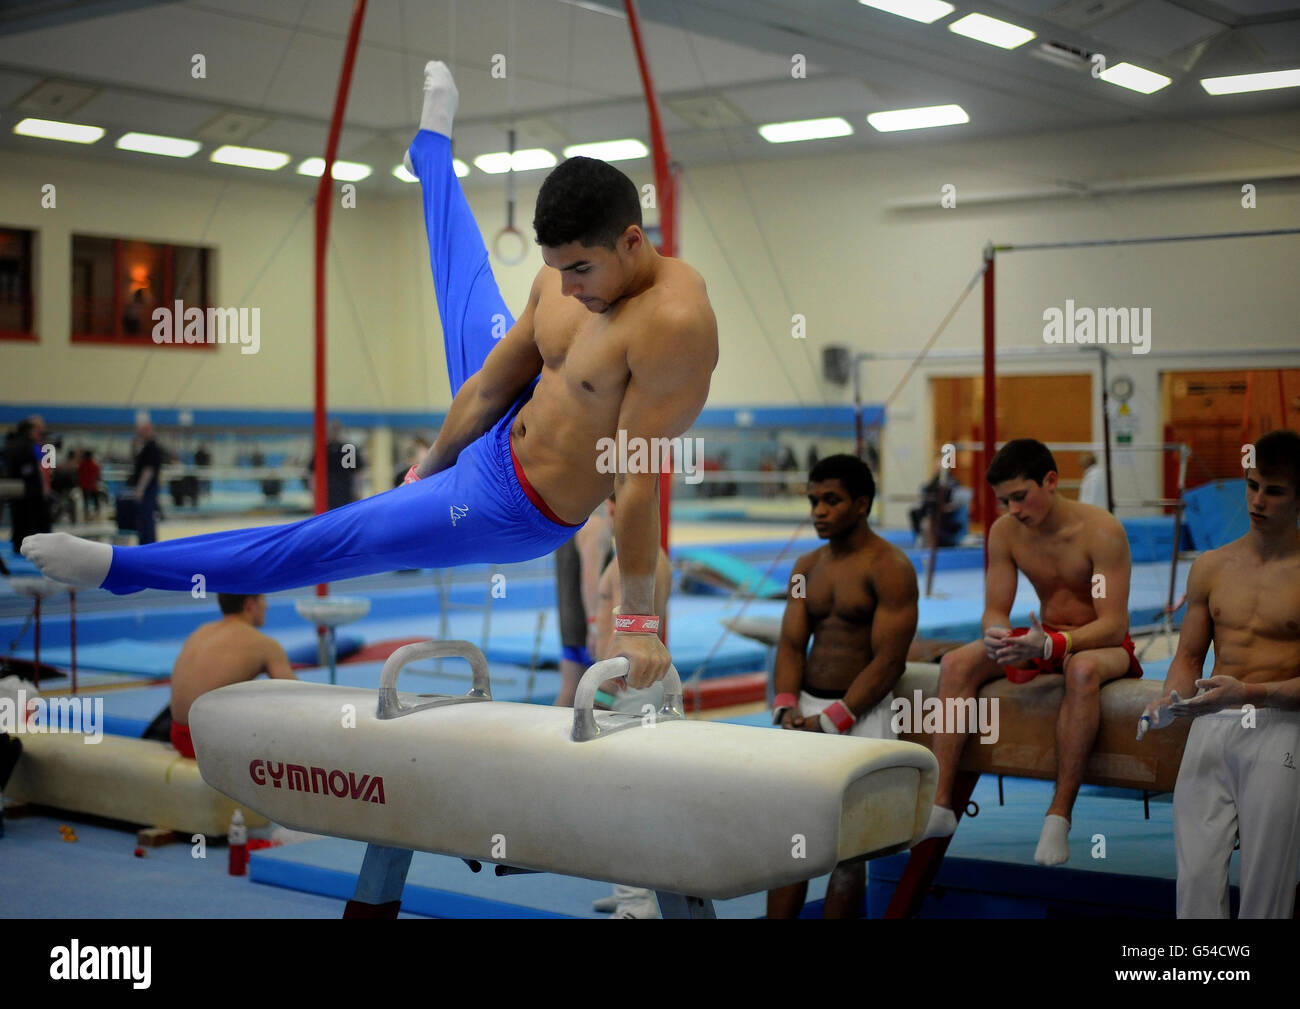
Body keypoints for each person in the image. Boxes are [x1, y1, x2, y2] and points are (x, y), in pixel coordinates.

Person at [22, 60, 718, 690]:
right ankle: (432, 152)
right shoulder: (564, 282)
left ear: (633, 240)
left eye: (581, 270)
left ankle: (120, 569)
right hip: (493, 435)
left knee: (332, 537)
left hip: (514, 505)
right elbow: (485, 387)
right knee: (470, 288)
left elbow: (634, 480)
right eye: (557, 269)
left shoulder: (673, 327)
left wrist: (636, 623)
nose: (566, 288)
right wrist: (426, 470)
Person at [920, 438, 1141, 865]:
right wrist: (997, 636)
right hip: (1043, 638)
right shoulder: (1006, 533)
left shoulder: (1102, 532)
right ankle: (941, 803)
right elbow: (994, 611)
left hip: (1100, 643)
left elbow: (1115, 624)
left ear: (1052, 481)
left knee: (1080, 671)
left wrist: (1058, 643)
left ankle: (1059, 815)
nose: (1013, 510)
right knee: (956, 663)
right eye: (1004, 501)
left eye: (1020, 497)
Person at [1139, 429, 1300, 918]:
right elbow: (1188, 657)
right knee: (1195, 880)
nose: (1257, 500)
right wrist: (1170, 702)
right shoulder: (1211, 566)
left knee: (1266, 886)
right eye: (1252, 485)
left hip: (1281, 725)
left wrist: (1250, 691)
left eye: (1274, 491)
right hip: (1212, 722)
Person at [765, 454, 918, 918]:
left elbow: (889, 660)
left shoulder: (890, 567)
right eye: (813, 501)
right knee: (791, 848)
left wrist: (834, 719)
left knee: (848, 855)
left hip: (863, 714)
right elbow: (792, 644)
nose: (819, 511)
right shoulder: (804, 569)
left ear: (862, 504)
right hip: (807, 711)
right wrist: (786, 706)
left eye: (832, 500)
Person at [587, 490, 673, 918]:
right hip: (637, 685)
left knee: (624, 796)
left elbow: (629, 649)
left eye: (615, 506)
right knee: (637, 792)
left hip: (627, 687)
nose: (609, 514)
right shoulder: (644, 557)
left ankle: (636, 904)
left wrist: (599, 695)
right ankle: (631, 890)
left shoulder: (637, 563)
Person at [168, 593, 297, 758]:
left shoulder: (201, 631)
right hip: (208, 744)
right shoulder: (264, 644)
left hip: (178, 737)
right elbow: (297, 698)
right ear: (249, 604)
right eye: (263, 599)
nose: (267, 606)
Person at [551, 504, 612, 707]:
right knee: (600, 699)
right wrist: (594, 626)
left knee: (569, 695)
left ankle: (547, 739)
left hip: (569, 624)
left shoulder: (566, 526)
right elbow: (590, 580)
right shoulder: (595, 526)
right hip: (589, 626)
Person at [4, 417, 50, 551]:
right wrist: (45, 488)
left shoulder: (11, 444)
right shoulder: (31, 446)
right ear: (31, 430)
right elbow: (40, 468)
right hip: (32, 489)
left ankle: (19, 545)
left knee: (19, 520)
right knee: (35, 521)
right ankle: (38, 547)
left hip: (16, 488)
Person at [306, 421, 362, 510]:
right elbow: (313, 474)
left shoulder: (347, 450)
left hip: (343, 492)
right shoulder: (323, 450)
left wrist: (357, 491)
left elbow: (356, 474)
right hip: (329, 493)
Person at [125, 419, 163, 544]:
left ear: (147, 431)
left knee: (146, 517)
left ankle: (148, 543)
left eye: (140, 431)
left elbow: (149, 470)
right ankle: (147, 541)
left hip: (148, 487)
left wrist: (140, 489)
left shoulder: (151, 447)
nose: (138, 434)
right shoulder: (145, 447)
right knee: (145, 517)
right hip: (148, 487)